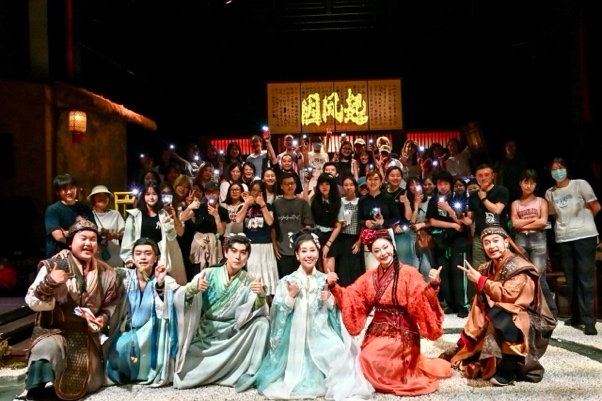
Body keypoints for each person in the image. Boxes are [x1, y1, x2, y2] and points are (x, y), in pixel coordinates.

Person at [241, 230, 374, 400]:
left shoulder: (325, 279)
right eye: (303, 251)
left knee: (339, 352)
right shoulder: (288, 280)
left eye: (312, 250)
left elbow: (336, 312)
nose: (308, 255)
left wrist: (329, 299)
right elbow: (276, 313)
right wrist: (290, 297)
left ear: (318, 254)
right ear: (297, 255)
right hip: (296, 336)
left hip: (321, 330)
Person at [326, 228, 452, 396]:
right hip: (377, 332)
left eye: (385, 247)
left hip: (402, 332)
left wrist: (433, 284)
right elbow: (352, 296)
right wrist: (334, 287)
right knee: (364, 360)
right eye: (377, 251)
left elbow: (421, 298)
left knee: (370, 360)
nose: (382, 253)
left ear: (392, 246)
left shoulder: (409, 273)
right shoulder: (369, 276)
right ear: (373, 254)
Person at [18, 219, 122, 401]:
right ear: (70, 242)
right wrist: (50, 283)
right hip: (54, 330)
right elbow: (32, 302)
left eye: (93, 239)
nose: (88, 243)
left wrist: (102, 319)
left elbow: (110, 304)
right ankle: (35, 390)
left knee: (90, 382)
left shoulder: (107, 272)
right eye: (83, 238)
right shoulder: (54, 265)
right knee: (45, 350)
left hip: (85, 332)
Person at [446, 224, 557, 386]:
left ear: (506, 242)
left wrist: (481, 281)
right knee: (493, 318)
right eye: (487, 243)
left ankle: (509, 369)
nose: (492, 246)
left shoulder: (519, 267)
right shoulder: (486, 267)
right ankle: (495, 362)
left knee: (502, 315)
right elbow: (481, 301)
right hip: (500, 313)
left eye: (496, 241)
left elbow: (510, 296)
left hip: (528, 317)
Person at [172, 235, 270, 390]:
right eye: (234, 251)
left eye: (243, 253)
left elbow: (256, 311)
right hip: (207, 332)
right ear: (226, 252)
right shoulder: (208, 274)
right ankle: (227, 370)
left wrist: (261, 296)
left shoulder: (250, 280)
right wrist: (193, 289)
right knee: (183, 366)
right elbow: (181, 299)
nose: (238, 256)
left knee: (262, 324)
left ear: (247, 257)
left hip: (233, 334)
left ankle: (247, 371)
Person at [106, 238, 179, 386]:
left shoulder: (166, 279)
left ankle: (145, 373)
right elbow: (101, 272)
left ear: (155, 258)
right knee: (117, 351)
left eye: (148, 253)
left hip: (152, 330)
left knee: (128, 346)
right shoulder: (123, 276)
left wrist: (160, 284)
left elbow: (178, 300)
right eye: (138, 254)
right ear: (133, 258)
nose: (143, 258)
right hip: (127, 327)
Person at [545, 157, 600, 335]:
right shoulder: (550, 192)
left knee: (585, 279)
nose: (558, 171)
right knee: (571, 279)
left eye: (560, 167)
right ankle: (575, 316)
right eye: (554, 169)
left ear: (567, 169)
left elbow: (596, 207)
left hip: (585, 236)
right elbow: (554, 215)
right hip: (563, 238)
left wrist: (583, 221)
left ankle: (589, 321)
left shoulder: (580, 184)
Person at [510, 169, 558, 319]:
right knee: (523, 275)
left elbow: (543, 222)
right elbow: (514, 224)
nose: (529, 186)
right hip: (520, 239)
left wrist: (523, 223)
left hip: (538, 238)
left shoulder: (541, 201)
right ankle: (529, 310)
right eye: (526, 182)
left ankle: (551, 312)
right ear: (520, 183)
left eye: (532, 183)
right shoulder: (515, 203)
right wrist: (533, 219)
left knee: (538, 276)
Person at [120, 183, 187, 285]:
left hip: (159, 259)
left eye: (154, 194)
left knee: (158, 286)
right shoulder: (134, 215)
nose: (151, 197)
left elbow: (171, 237)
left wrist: (168, 224)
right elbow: (128, 239)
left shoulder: (163, 214)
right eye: (147, 194)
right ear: (143, 196)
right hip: (140, 258)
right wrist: (128, 259)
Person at [427, 170, 472, 317]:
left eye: (445, 183)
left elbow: (462, 221)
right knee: (444, 272)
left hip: (458, 240)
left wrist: (448, 209)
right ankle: (451, 304)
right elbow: (432, 221)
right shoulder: (433, 200)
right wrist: (452, 225)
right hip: (441, 240)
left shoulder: (459, 198)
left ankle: (463, 305)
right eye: (440, 183)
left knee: (458, 271)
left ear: (450, 184)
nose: (443, 186)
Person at [236, 179, 279, 297]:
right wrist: (246, 204)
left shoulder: (268, 206)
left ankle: (267, 303)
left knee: (266, 277)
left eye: (259, 191)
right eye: (253, 190)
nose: (256, 193)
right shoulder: (243, 206)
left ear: (263, 192)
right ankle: (253, 303)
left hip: (265, 245)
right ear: (250, 191)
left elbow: (270, 222)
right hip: (250, 246)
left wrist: (262, 205)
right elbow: (238, 220)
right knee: (253, 277)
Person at [272, 172, 315, 278]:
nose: (289, 186)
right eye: (286, 184)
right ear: (281, 187)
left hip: (299, 249)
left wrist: (305, 246)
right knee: (285, 280)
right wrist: (274, 246)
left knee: (301, 279)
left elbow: (308, 226)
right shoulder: (276, 204)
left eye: (291, 183)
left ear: (296, 185)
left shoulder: (302, 203)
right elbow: (273, 227)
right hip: (282, 249)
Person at [45, 174, 94, 258]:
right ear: (57, 192)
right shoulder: (53, 210)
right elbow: (59, 236)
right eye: (64, 189)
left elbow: (93, 231)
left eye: (72, 188)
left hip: (83, 255)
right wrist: (81, 231)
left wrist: (66, 232)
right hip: (60, 255)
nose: (69, 192)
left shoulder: (85, 208)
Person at [336, 175, 364, 286]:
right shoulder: (340, 201)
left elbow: (363, 223)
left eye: (351, 185)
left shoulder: (360, 201)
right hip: (342, 238)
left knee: (355, 267)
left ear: (355, 187)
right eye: (346, 185)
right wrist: (340, 222)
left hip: (356, 238)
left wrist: (359, 241)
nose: (348, 187)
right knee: (343, 266)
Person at [88, 185, 125, 267]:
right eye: (98, 196)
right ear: (93, 199)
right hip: (95, 256)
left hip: (114, 255)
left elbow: (125, 234)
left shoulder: (115, 214)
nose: (102, 198)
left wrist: (114, 236)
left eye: (105, 196)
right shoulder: (89, 216)